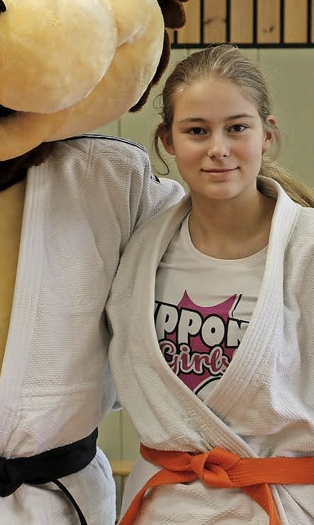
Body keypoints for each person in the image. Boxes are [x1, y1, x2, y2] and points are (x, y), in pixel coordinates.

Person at [107, 44, 314, 524]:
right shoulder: (142, 252)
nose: (218, 148)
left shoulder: (305, 250)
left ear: (267, 134)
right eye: (197, 131)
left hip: (278, 505)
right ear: (168, 141)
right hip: (165, 505)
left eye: (237, 127)